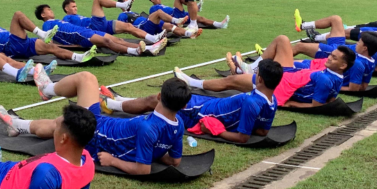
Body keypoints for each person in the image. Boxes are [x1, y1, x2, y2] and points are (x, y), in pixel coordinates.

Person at [0, 65, 190, 175]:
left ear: (158, 96)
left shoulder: (147, 127)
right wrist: (156, 150)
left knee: (84, 81)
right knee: (64, 117)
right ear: (182, 107)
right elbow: (175, 160)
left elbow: (143, 170)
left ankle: (41, 96)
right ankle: (18, 123)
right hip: (103, 125)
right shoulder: (178, 124)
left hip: (94, 132)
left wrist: (113, 160)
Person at [102, 59, 282, 143]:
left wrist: (218, 130)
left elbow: (243, 138)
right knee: (158, 98)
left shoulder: (253, 102)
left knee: (156, 100)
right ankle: (121, 100)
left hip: (200, 111)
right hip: (207, 104)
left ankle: (113, 104)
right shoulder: (271, 101)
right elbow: (261, 131)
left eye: (256, 74)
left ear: (260, 80)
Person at [177, 37, 355, 108]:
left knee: (231, 81)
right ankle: (251, 68)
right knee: (282, 40)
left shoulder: (326, 79)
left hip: (279, 81)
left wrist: (292, 104)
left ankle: (192, 83)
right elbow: (330, 98)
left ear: (343, 66)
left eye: (334, 58)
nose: (329, 58)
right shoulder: (335, 76)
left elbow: (318, 106)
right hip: (290, 73)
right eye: (331, 55)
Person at [292, 10, 377, 92]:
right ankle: (303, 26)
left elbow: (355, 88)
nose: (357, 43)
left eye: (359, 42)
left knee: (300, 46)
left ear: (364, 48)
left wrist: (334, 87)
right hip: (340, 45)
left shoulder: (358, 63)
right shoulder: (371, 61)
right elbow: (363, 86)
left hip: (335, 52)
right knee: (336, 19)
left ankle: (280, 64)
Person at [35, 4, 166, 56]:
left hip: (85, 31)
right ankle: (135, 51)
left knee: (117, 39)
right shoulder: (47, 25)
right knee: (107, 42)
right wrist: (70, 47)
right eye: (48, 10)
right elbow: (50, 43)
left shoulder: (56, 20)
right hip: (79, 36)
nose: (51, 11)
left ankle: (149, 48)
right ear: (43, 15)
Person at [0, 8, 97, 63]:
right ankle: (43, 34)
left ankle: (78, 58)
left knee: (51, 47)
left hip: (23, 43)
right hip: (12, 45)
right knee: (18, 14)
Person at [62, 0, 166, 43]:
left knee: (128, 26)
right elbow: (68, 32)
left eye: (75, 6)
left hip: (102, 25)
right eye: (73, 7)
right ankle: (124, 5)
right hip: (94, 27)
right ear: (66, 9)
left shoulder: (77, 16)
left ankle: (152, 38)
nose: (75, 8)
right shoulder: (66, 18)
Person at [116, 0, 201, 39]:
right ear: (122, 5)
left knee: (170, 26)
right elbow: (122, 27)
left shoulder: (133, 12)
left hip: (149, 23)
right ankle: (176, 20)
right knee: (159, 13)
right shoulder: (122, 15)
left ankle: (189, 34)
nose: (130, 3)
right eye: (127, 2)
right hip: (143, 27)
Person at [149, 0, 229, 29]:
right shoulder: (153, 8)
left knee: (200, 18)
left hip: (180, 14)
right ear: (152, 0)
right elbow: (156, 18)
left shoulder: (162, 5)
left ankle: (220, 24)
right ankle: (195, 7)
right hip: (174, 15)